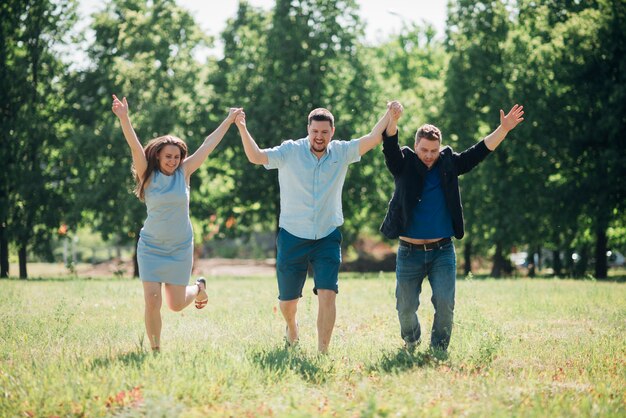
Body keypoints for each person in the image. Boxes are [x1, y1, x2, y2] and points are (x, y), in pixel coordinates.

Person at [234, 106, 391, 353]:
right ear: (308, 129)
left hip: (327, 236)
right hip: (292, 236)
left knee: (328, 293)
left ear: (332, 132)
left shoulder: (341, 151)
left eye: (325, 132)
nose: (319, 136)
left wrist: (389, 113)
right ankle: (292, 327)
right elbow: (256, 156)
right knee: (288, 303)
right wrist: (242, 127)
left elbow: (372, 138)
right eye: (315, 131)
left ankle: (323, 352)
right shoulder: (290, 151)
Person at [381, 102, 524, 353]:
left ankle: (438, 350)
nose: (428, 155)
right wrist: (391, 119)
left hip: (442, 251)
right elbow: (390, 144)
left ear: (440, 148)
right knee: (404, 307)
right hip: (409, 252)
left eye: (433, 150)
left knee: (445, 304)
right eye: (424, 150)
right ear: (415, 147)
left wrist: (503, 129)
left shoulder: (448, 164)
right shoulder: (403, 164)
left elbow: (478, 152)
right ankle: (412, 339)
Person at [111, 94, 242, 352]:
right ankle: (155, 349)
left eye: (176, 156)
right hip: (151, 247)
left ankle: (199, 288)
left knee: (176, 304)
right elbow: (136, 147)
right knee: (152, 300)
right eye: (168, 156)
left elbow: (207, 145)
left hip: (180, 247)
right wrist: (124, 118)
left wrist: (228, 120)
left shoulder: (184, 173)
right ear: (158, 156)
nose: (172, 160)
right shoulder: (147, 174)